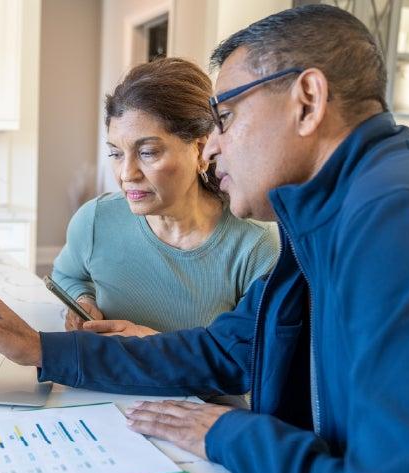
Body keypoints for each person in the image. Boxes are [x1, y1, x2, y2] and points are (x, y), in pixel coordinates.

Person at [0, 5, 409, 473]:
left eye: (226, 117)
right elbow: (226, 350)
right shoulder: (329, 213)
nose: (211, 148)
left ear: (308, 101)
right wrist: (41, 349)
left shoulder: (402, 219)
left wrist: (228, 435)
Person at [54, 57, 278, 336]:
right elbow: (66, 275)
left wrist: (148, 345)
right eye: (116, 153)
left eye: (147, 152)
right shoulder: (95, 220)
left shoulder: (255, 246)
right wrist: (82, 300)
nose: (126, 174)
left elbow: (252, 359)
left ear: (200, 148)